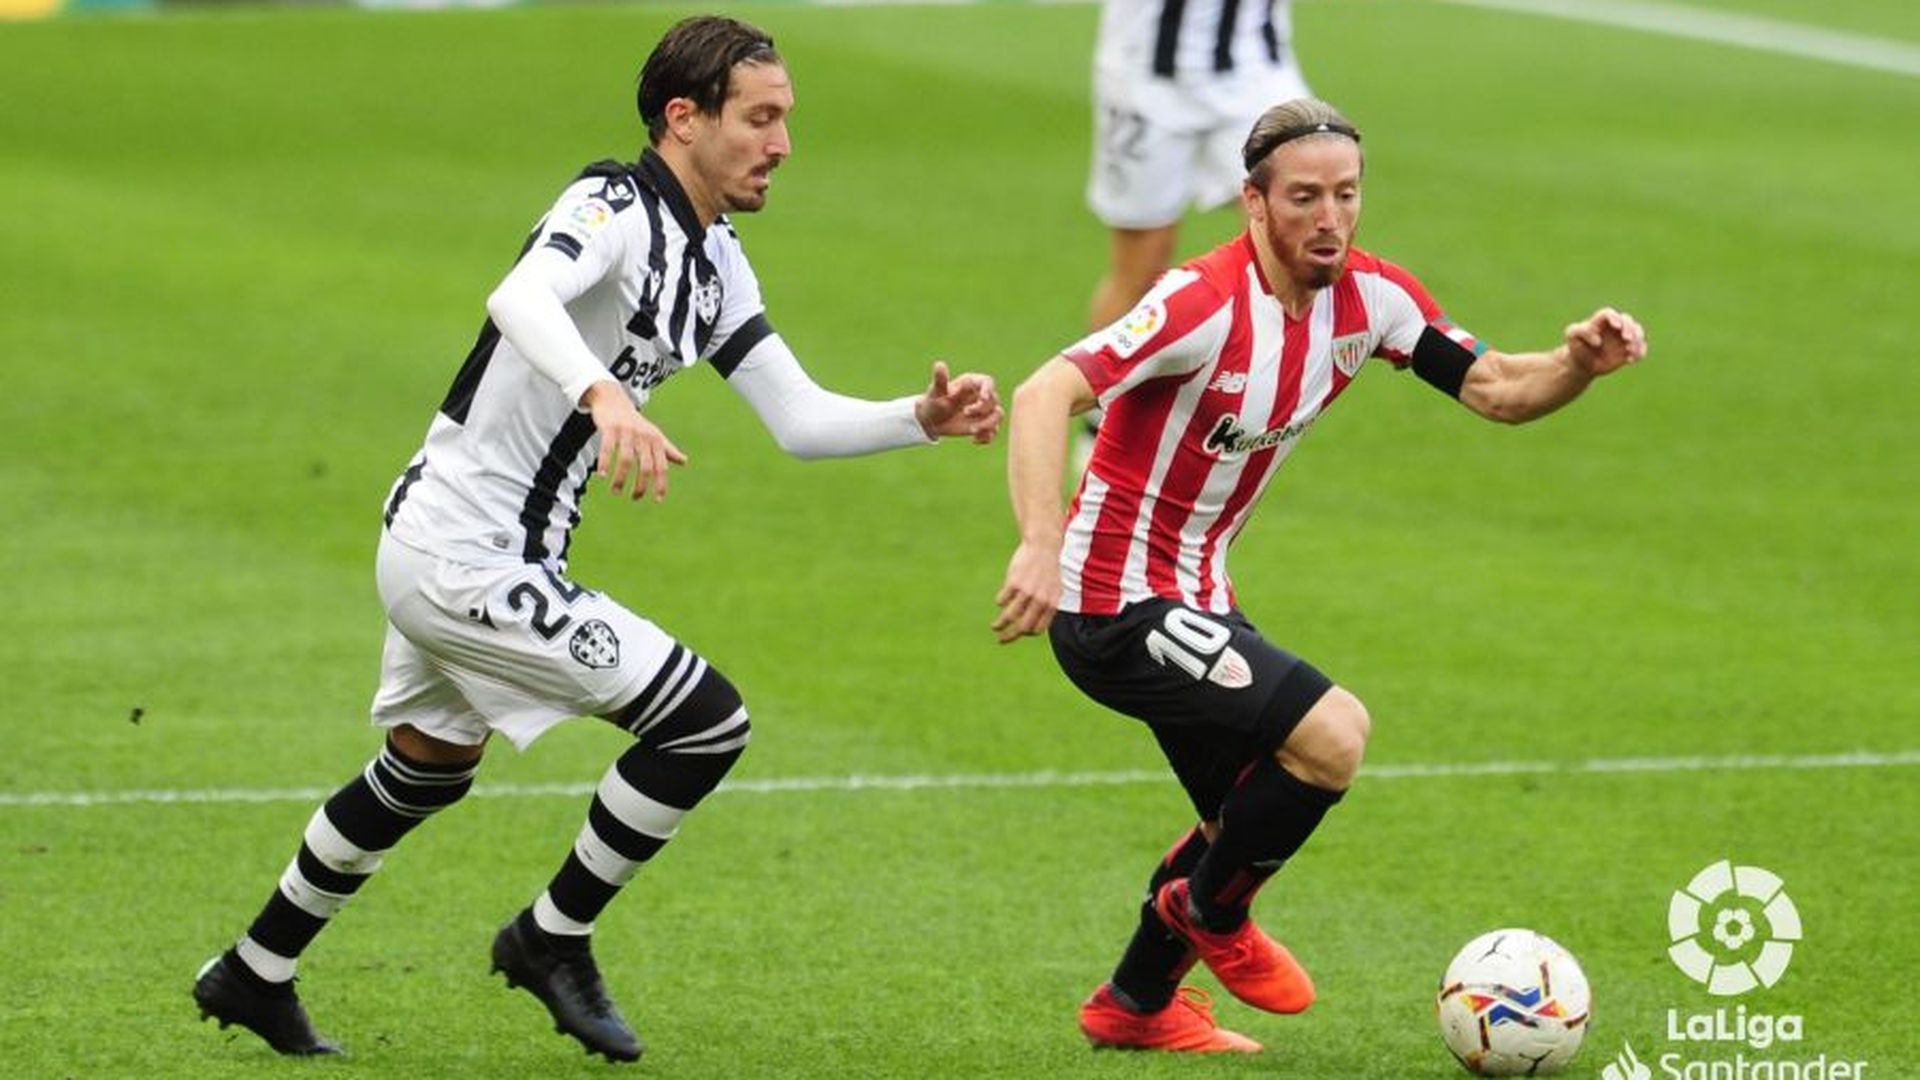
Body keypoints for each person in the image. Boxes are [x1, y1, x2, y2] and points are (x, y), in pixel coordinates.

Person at [191, 15, 1001, 1064]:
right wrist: (605, 392)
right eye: (759, 118)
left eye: (785, 119)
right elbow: (520, 293)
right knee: (705, 725)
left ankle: (254, 970)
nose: (781, 142)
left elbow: (798, 419)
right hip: (461, 552)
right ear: (684, 119)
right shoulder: (611, 204)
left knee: (430, 767)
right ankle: (549, 939)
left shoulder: (715, 261)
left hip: (471, 548)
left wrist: (916, 419)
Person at [993, 98, 1646, 1053]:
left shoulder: (1371, 300)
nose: (1330, 218)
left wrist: (1577, 365)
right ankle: (1205, 915)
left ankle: (1134, 1003)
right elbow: (1045, 389)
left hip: (1198, 595)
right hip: (1111, 601)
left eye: (1346, 194)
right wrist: (1039, 544)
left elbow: (1500, 388)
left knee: (1247, 815)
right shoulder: (1198, 301)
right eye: (1304, 198)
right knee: (1333, 735)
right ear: (1253, 202)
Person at [1079, 0, 1314, 464]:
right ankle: (1100, 426)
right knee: (1142, 264)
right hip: (1147, 73)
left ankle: (1259, 406)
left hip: (1254, 66)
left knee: (1305, 225)